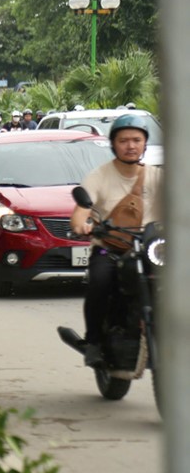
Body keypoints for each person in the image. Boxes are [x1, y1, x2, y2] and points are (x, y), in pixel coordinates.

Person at [69, 114, 163, 367]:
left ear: (145, 144)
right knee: (99, 282)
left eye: (136, 140)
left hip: (149, 248)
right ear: (113, 144)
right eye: (124, 141)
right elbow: (81, 209)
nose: (131, 145)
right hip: (110, 249)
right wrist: (82, 224)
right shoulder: (99, 176)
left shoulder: (157, 177)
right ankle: (94, 342)